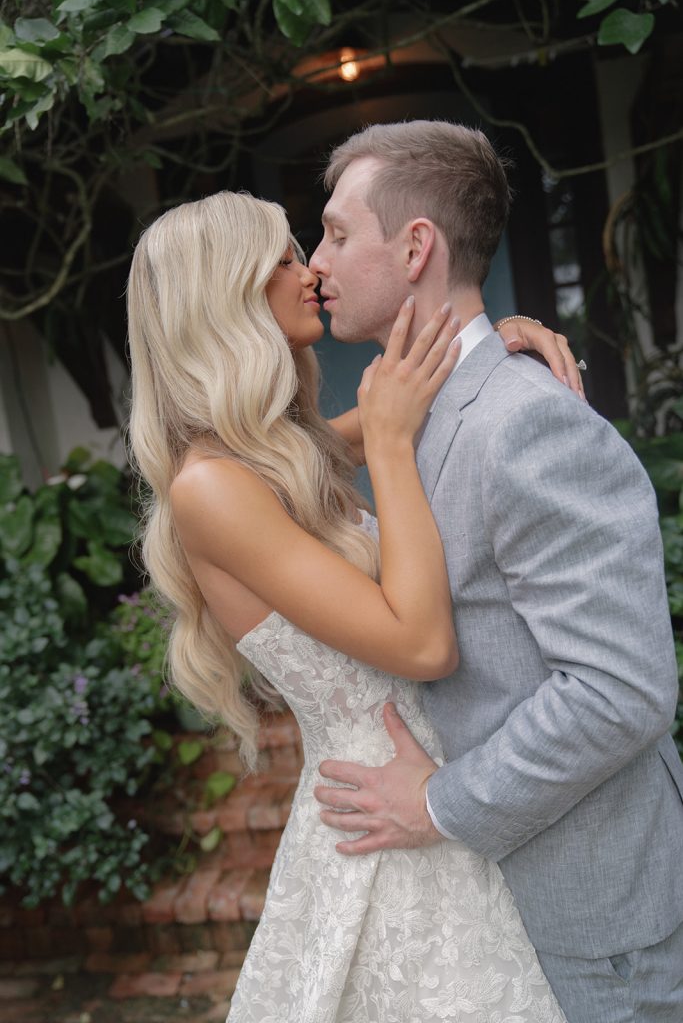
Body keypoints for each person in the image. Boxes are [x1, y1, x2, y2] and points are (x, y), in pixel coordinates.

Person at [126, 189, 577, 1022]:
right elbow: (421, 645)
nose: (311, 273)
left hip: (440, 791)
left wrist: (488, 341)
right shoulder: (210, 490)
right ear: (226, 297)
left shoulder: (270, 458)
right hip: (384, 816)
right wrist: (394, 447)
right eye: (285, 259)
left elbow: (390, 409)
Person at [309, 120, 683, 1023]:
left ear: (415, 248)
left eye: (335, 233)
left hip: (599, 916)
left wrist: (439, 804)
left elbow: (620, 691)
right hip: (502, 904)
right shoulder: (412, 409)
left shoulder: (524, 422)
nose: (315, 263)